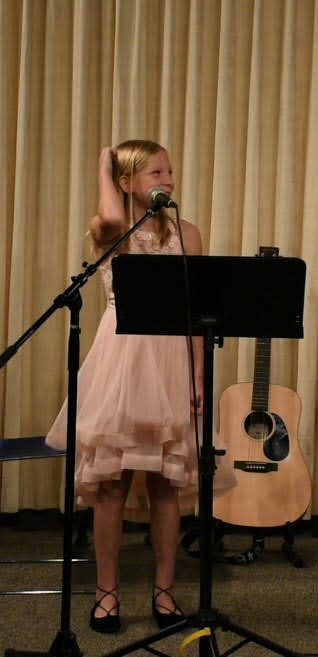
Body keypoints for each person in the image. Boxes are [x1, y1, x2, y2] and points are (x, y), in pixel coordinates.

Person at [46, 140, 236, 634]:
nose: (169, 180)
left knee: (167, 484)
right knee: (110, 485)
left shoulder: (188, 234)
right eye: (156, 172)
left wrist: (197, 374)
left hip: (172, 359)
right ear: (127, 181)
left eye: (171, 170)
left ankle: (165, 591)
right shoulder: (111, 231)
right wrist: (104, 161)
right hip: (122, 361)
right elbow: (109, 215)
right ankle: (105, 594)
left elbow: (198, 314)